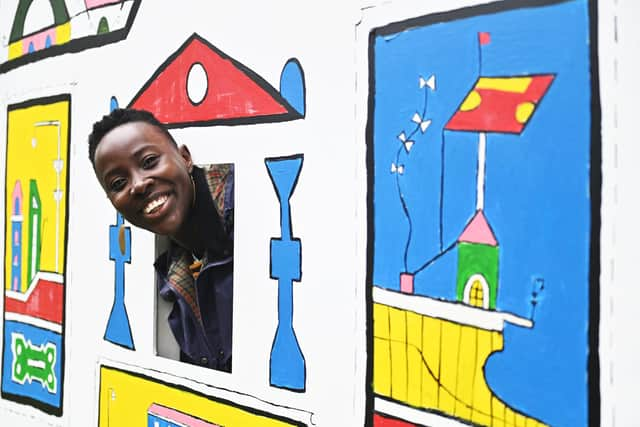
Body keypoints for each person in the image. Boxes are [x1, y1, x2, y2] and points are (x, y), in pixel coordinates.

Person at [88, 109, 233, 372]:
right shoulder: (176, 274)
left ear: (185, 158)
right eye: (119, 183)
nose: (139, 185)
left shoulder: (247, 218)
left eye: (149, 161)